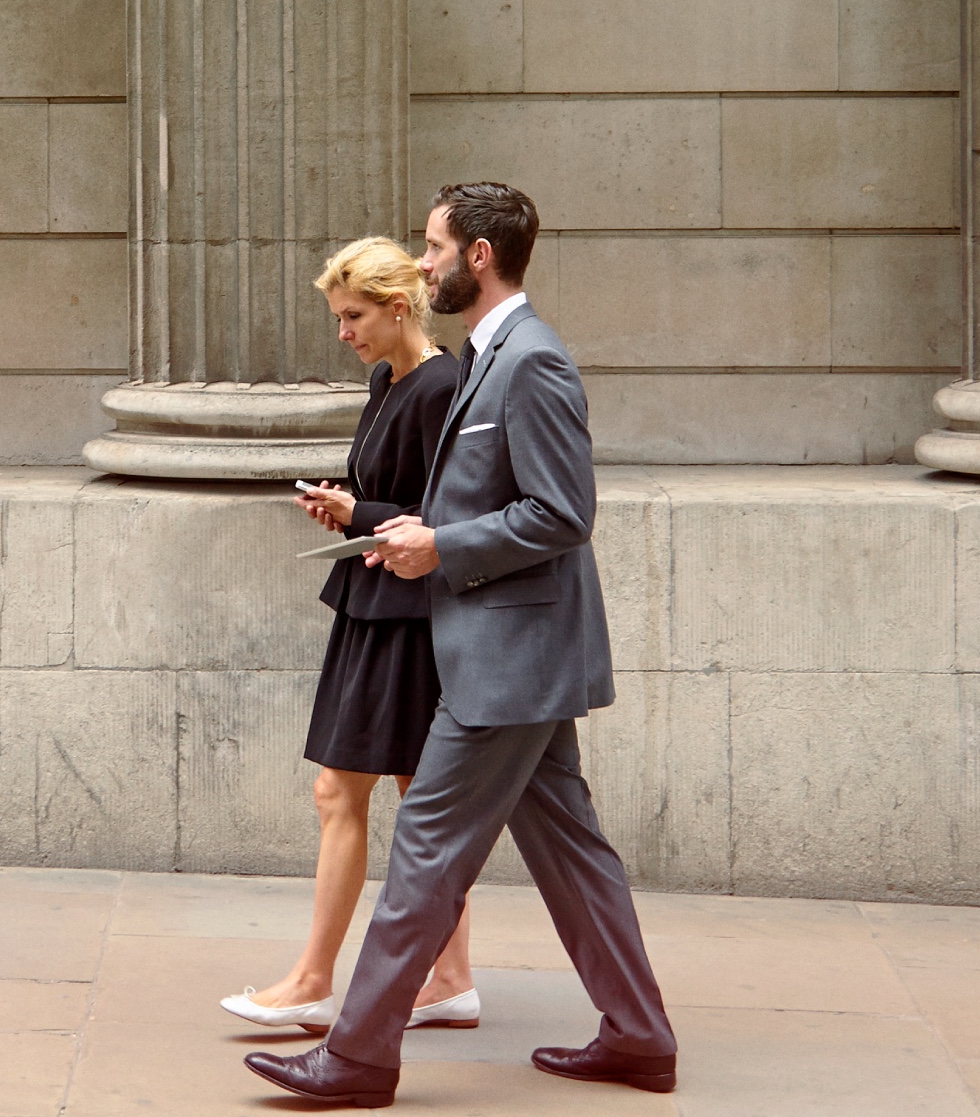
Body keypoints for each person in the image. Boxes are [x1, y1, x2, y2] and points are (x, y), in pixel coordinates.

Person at [244, 184, 677, 1107]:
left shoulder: (531, 361)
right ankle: (639, 1036)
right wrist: (391, 528)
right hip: (511, 654)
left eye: (434, 246)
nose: (425, 260)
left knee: (428, 848)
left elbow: (562, 514)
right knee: (572, 855)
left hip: (508, 661)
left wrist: (441, 545)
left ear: (479, 255)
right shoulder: (489, 357)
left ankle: (356, 1056)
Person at [220, 237, 478, 1036]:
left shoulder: (442, 385)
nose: (344, 333)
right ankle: (451, 978)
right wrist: (348, 503)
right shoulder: (386, 378)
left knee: (348, 791)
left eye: (353, 315)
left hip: (404, 610)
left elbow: (446, 512)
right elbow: (387, 488)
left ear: (399, 306)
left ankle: (311, 980)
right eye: (339, 316)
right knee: (407, 796)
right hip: (374, 601)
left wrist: (355, 514)